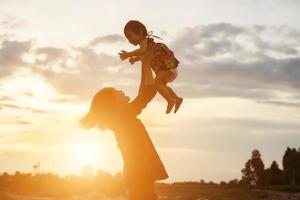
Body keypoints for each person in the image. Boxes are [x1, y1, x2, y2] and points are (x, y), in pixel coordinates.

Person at [80, 45, 169, 200]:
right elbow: (147, 93)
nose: (121, 91)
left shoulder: (121, 118)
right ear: (113, 103)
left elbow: (144, 92)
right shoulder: (122, 118)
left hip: (138, 175)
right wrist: (147, 63)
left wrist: (144, 63)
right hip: (139, 175)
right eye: (117, 92)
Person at [119, 20, 183, 114]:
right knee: (161, 85)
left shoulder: (144, 42)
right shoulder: (148, 44)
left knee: (157, 83)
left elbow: (143, 51)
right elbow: (144, 55)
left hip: (165, 66)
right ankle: (177, 98)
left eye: (130, 36)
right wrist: (135, 59)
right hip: (169, 68)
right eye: (127, 38)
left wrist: (128, 54)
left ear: (140, 32)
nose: (129, 40)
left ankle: (170, 100)